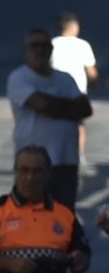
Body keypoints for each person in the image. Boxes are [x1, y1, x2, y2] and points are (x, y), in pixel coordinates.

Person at [8, 29, 91, 209]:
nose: (40, 50)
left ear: (51, 49)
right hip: (32, 165)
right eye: (34, 46)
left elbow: (85, 108)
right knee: (30, 216)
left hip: (66, 160)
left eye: (45, 46)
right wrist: (69, 106)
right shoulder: (19, 77)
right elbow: (42, 105)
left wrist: (52, 106)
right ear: (26, 50)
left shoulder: (65, 79)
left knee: (64, 217)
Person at [52, 14, 98, 164]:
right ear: (74, 27)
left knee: (56, 125)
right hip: (77, 92)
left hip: (55, 92)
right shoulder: (83, 45)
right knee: (78, 125)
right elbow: (92, 72)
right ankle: (78, 157)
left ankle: (55, 156)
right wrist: (92, 86)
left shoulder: (52, 44)